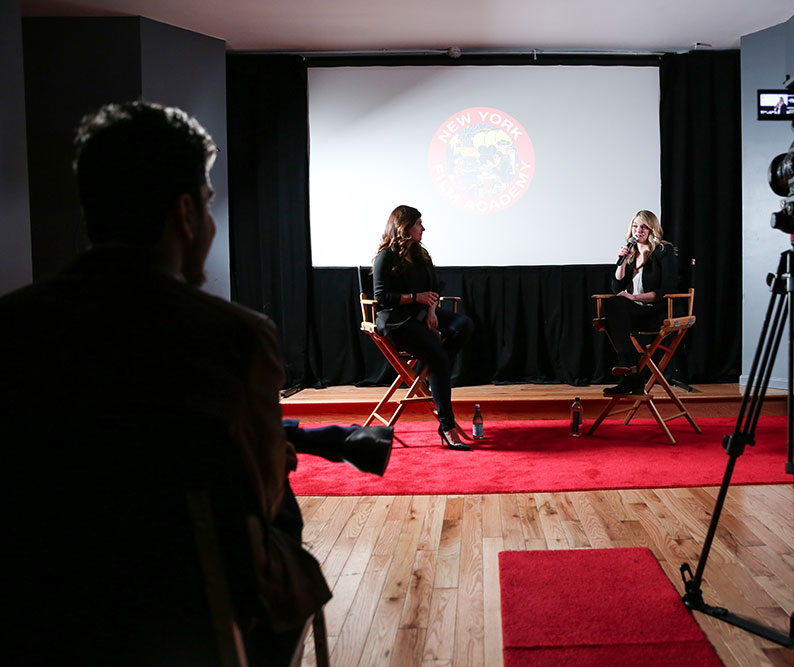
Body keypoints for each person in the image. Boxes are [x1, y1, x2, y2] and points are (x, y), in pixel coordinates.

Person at [0, 101, 376, 665]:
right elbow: (261, 492)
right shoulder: (235, 338)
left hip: (36, 611)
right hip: (196, 615)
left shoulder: (10, 328)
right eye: (208, 202)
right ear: (184, 213)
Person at [372, 205, 475, 450]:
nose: (423, 228)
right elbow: (381, 295)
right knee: (438, 358)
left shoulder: (421, 254)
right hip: (398, 320)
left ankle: (433, 367)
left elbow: (434, 286)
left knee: (464, 325)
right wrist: (415, 297)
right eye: (419, 223)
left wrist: (430, 311)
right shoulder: (386, 256)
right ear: (404, 227)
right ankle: (447, 425)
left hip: (422, 313)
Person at [603, 210, 681, 395]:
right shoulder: (631, 253)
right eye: (635, 226)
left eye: (644, 227)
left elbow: (668, 290)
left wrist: (634, 297)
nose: (638, 230)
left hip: (657, 311)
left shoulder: (663, 250)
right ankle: (632, 371)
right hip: (635, 312)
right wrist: (621, 263)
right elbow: (617, 288)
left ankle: (630, 371)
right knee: (614, 305)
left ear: (652, 229)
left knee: (616, 310)